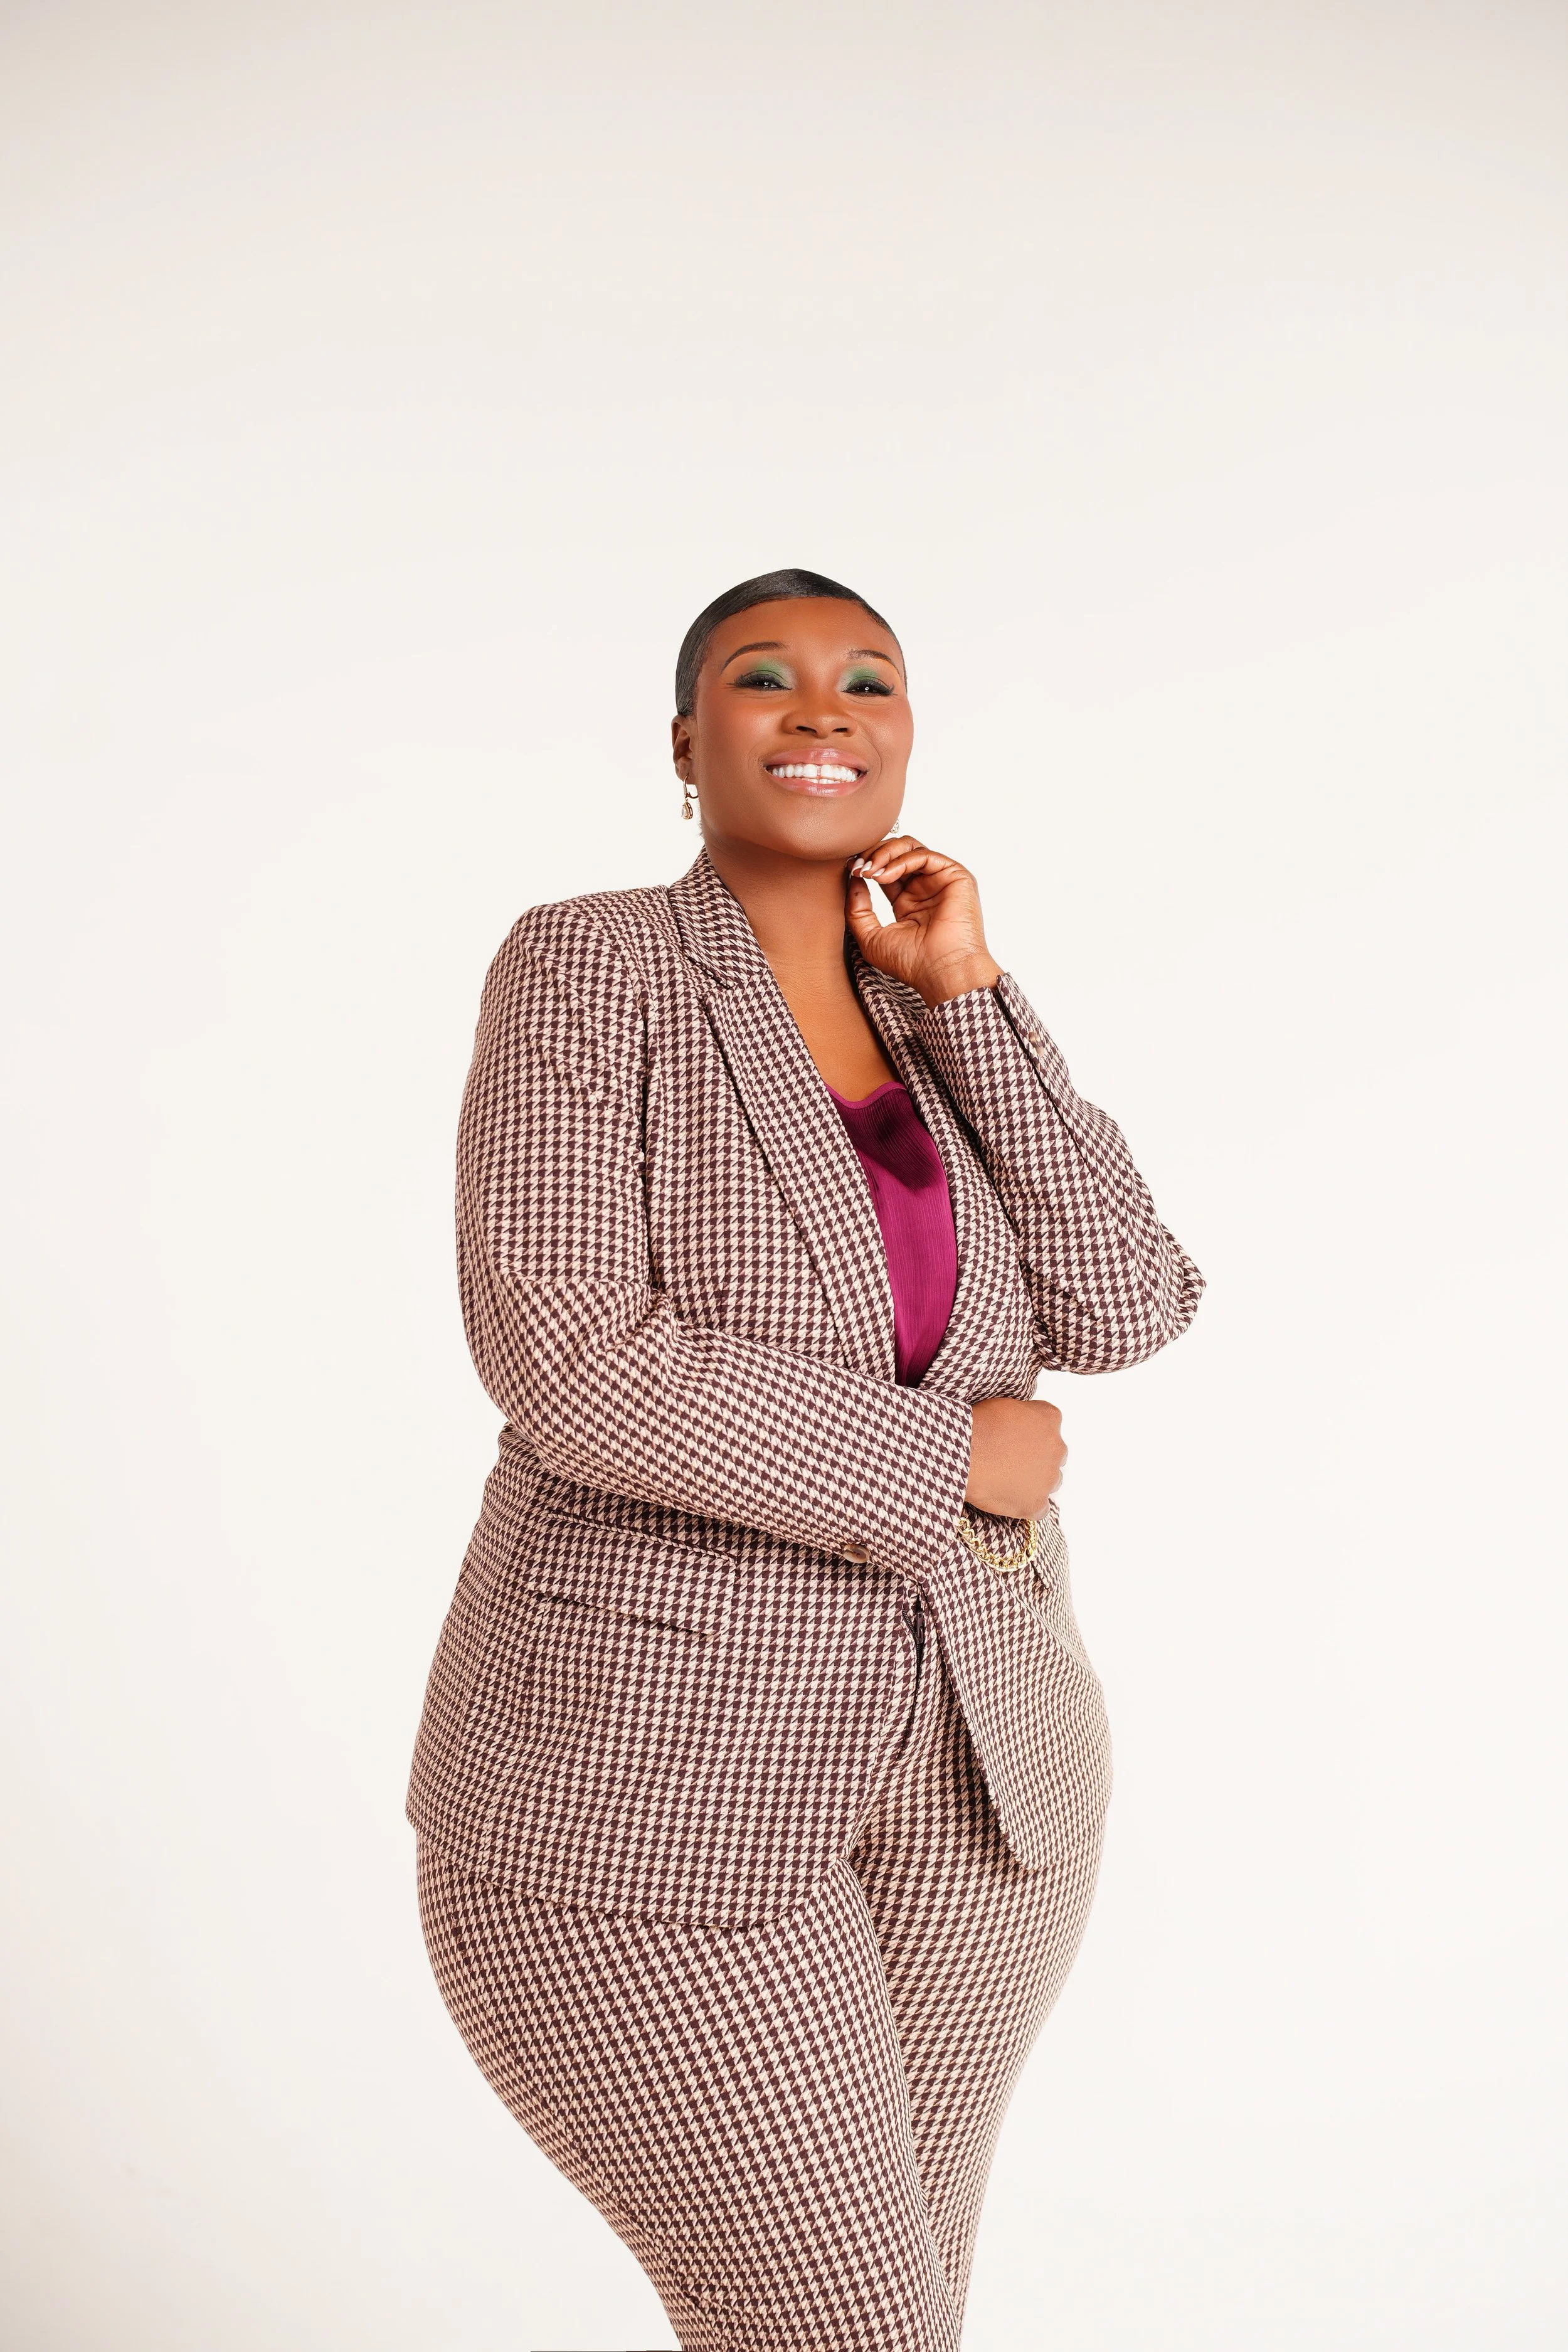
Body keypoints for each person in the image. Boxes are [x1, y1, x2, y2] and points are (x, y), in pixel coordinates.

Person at [407, 568, 1204, 2350]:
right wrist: (949, 1464)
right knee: (840, 2322)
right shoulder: (589, 960)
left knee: (893, 2313)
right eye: (763, 679)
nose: (821, 709)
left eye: (868, 682)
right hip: (646, 1785)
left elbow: (1129, 1296)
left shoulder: (932, 1008)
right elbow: (568, 1356)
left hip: (976, 1783)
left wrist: (972, 996)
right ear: (686, 740)